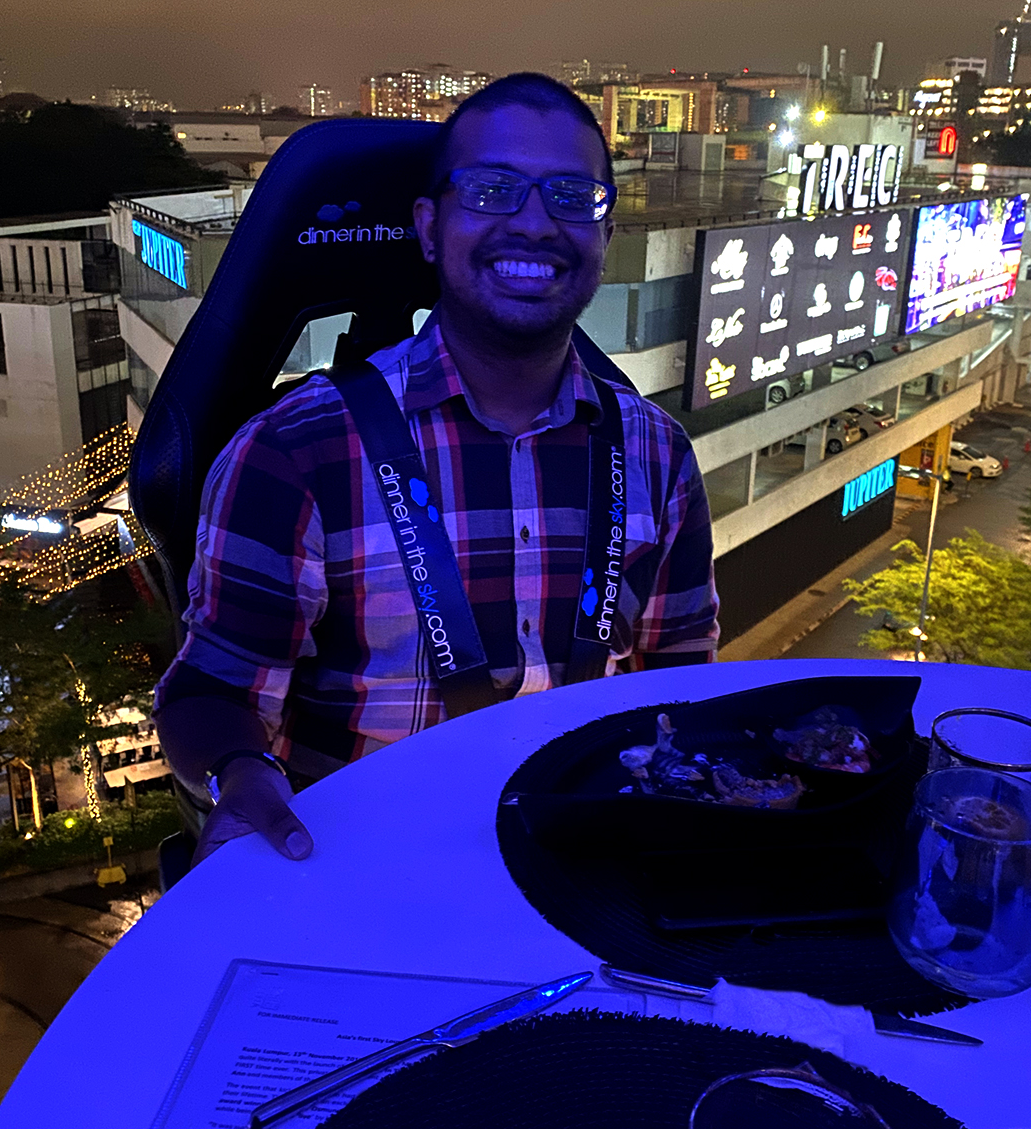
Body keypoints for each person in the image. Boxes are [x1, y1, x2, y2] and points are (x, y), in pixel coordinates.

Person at [154, 73, 719, 864]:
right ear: (428, 226)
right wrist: (242, 775)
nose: (533, 223)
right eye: (492, 190)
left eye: (569, 195)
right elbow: (210, 692)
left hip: (582, 866)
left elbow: (676, 678)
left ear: (602, 234)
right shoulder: (295, 453)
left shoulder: (658, 455)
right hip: (360, 875)